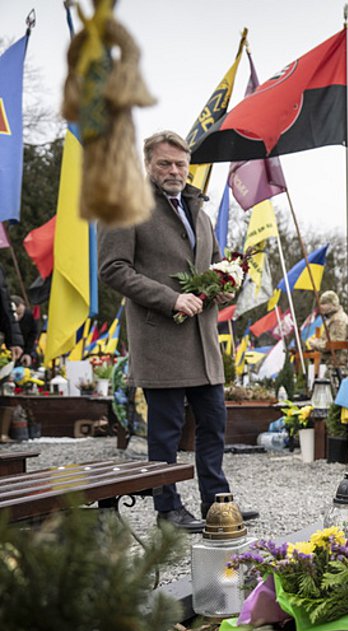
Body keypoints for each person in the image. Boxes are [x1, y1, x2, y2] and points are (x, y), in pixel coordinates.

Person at [99, 130, 258, 532]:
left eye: (180, 164)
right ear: (147, 164)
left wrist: (225, 285)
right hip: (161, 340)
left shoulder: (199, 211)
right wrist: (170, 299)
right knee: (166, 433)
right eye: (164, 163)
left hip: (203, 344)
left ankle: (217, 503)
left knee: (214, 425)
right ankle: (167, 510)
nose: (174, 171)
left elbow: (216, 265)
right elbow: (113, 269)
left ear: (189, 167)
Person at [306, 290, 348, 373]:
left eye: (323, 304)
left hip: (337, 365)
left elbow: (335, 343)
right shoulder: (332, 318)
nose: (321, 307)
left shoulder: (338, 320)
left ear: (332, 304)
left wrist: (316, 344)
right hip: (331, 363)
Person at [11, 297, 39, 367]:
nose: (18, 317)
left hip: (26, 348)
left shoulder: (30, 316)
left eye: (20, 314)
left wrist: (27, 353)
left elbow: (33, 335)